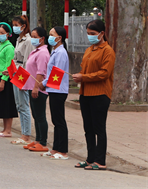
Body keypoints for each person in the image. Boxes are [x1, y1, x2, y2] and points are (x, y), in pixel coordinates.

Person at [73, 20, 115, 170]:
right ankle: (90, 159)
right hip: (85, 93)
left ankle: (100, 161)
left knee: (99, 128)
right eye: (88, 34)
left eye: (93, 34)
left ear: (102, 33)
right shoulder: (89, 50)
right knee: (88, 128)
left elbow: (104, 73)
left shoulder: (107, 51)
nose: (90, 36)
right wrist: (80, 75)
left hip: (100, 94)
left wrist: (83, 77)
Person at [36, 26, 70, 160]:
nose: (49, 37)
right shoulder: (55, 51)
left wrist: (44, 83)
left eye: (52, 34)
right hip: (53, 88)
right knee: (55, 120)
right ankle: (56, 148)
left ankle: (63, 150)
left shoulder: (61, 53)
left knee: (59, 120)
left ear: (59, 38)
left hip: (58, 89)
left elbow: (57, 73)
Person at [23, 27, 50, 153]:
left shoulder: (43, 53)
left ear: (42, 38)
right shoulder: (35, 51)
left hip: (37, 88)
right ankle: (38, 139)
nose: (32, 39)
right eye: (32, 36)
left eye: (35, 37)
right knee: (35, 114)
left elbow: (41, 72)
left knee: (40, 116)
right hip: (30, 86)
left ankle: (43, 142)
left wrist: (36, 87)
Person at [0, 23, 19, 138]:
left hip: (5, 78)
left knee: (7, 104)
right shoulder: (1, 45)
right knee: (1, 104)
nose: (0, 35)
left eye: (3, 33)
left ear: (8, 34)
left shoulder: (9, 47)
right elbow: (0, 62)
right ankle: (4, 129)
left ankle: (8, 130)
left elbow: (9, 65)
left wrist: (3, 81)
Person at [11, 15, 33, 145]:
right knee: (19, 105)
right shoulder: (19, 39)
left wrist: (22, 78)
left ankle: (26, 135)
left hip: (22, 74)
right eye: (13, 25)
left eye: (16, 25)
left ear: (23, 26)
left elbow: (27, 61)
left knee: (24, 105)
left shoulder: (28, 41)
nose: (14, 28)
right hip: (15, 72)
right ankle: (23, 133)